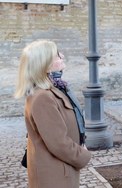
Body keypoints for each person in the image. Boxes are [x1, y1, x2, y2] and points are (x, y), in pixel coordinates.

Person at [14, 40, 91, 188]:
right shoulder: (43, 97)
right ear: (45, 64)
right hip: (54, 175)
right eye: (56, 55)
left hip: (61, 169)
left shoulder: (53, 89)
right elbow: (58, 142)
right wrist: (83, 156)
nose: (61, 55)